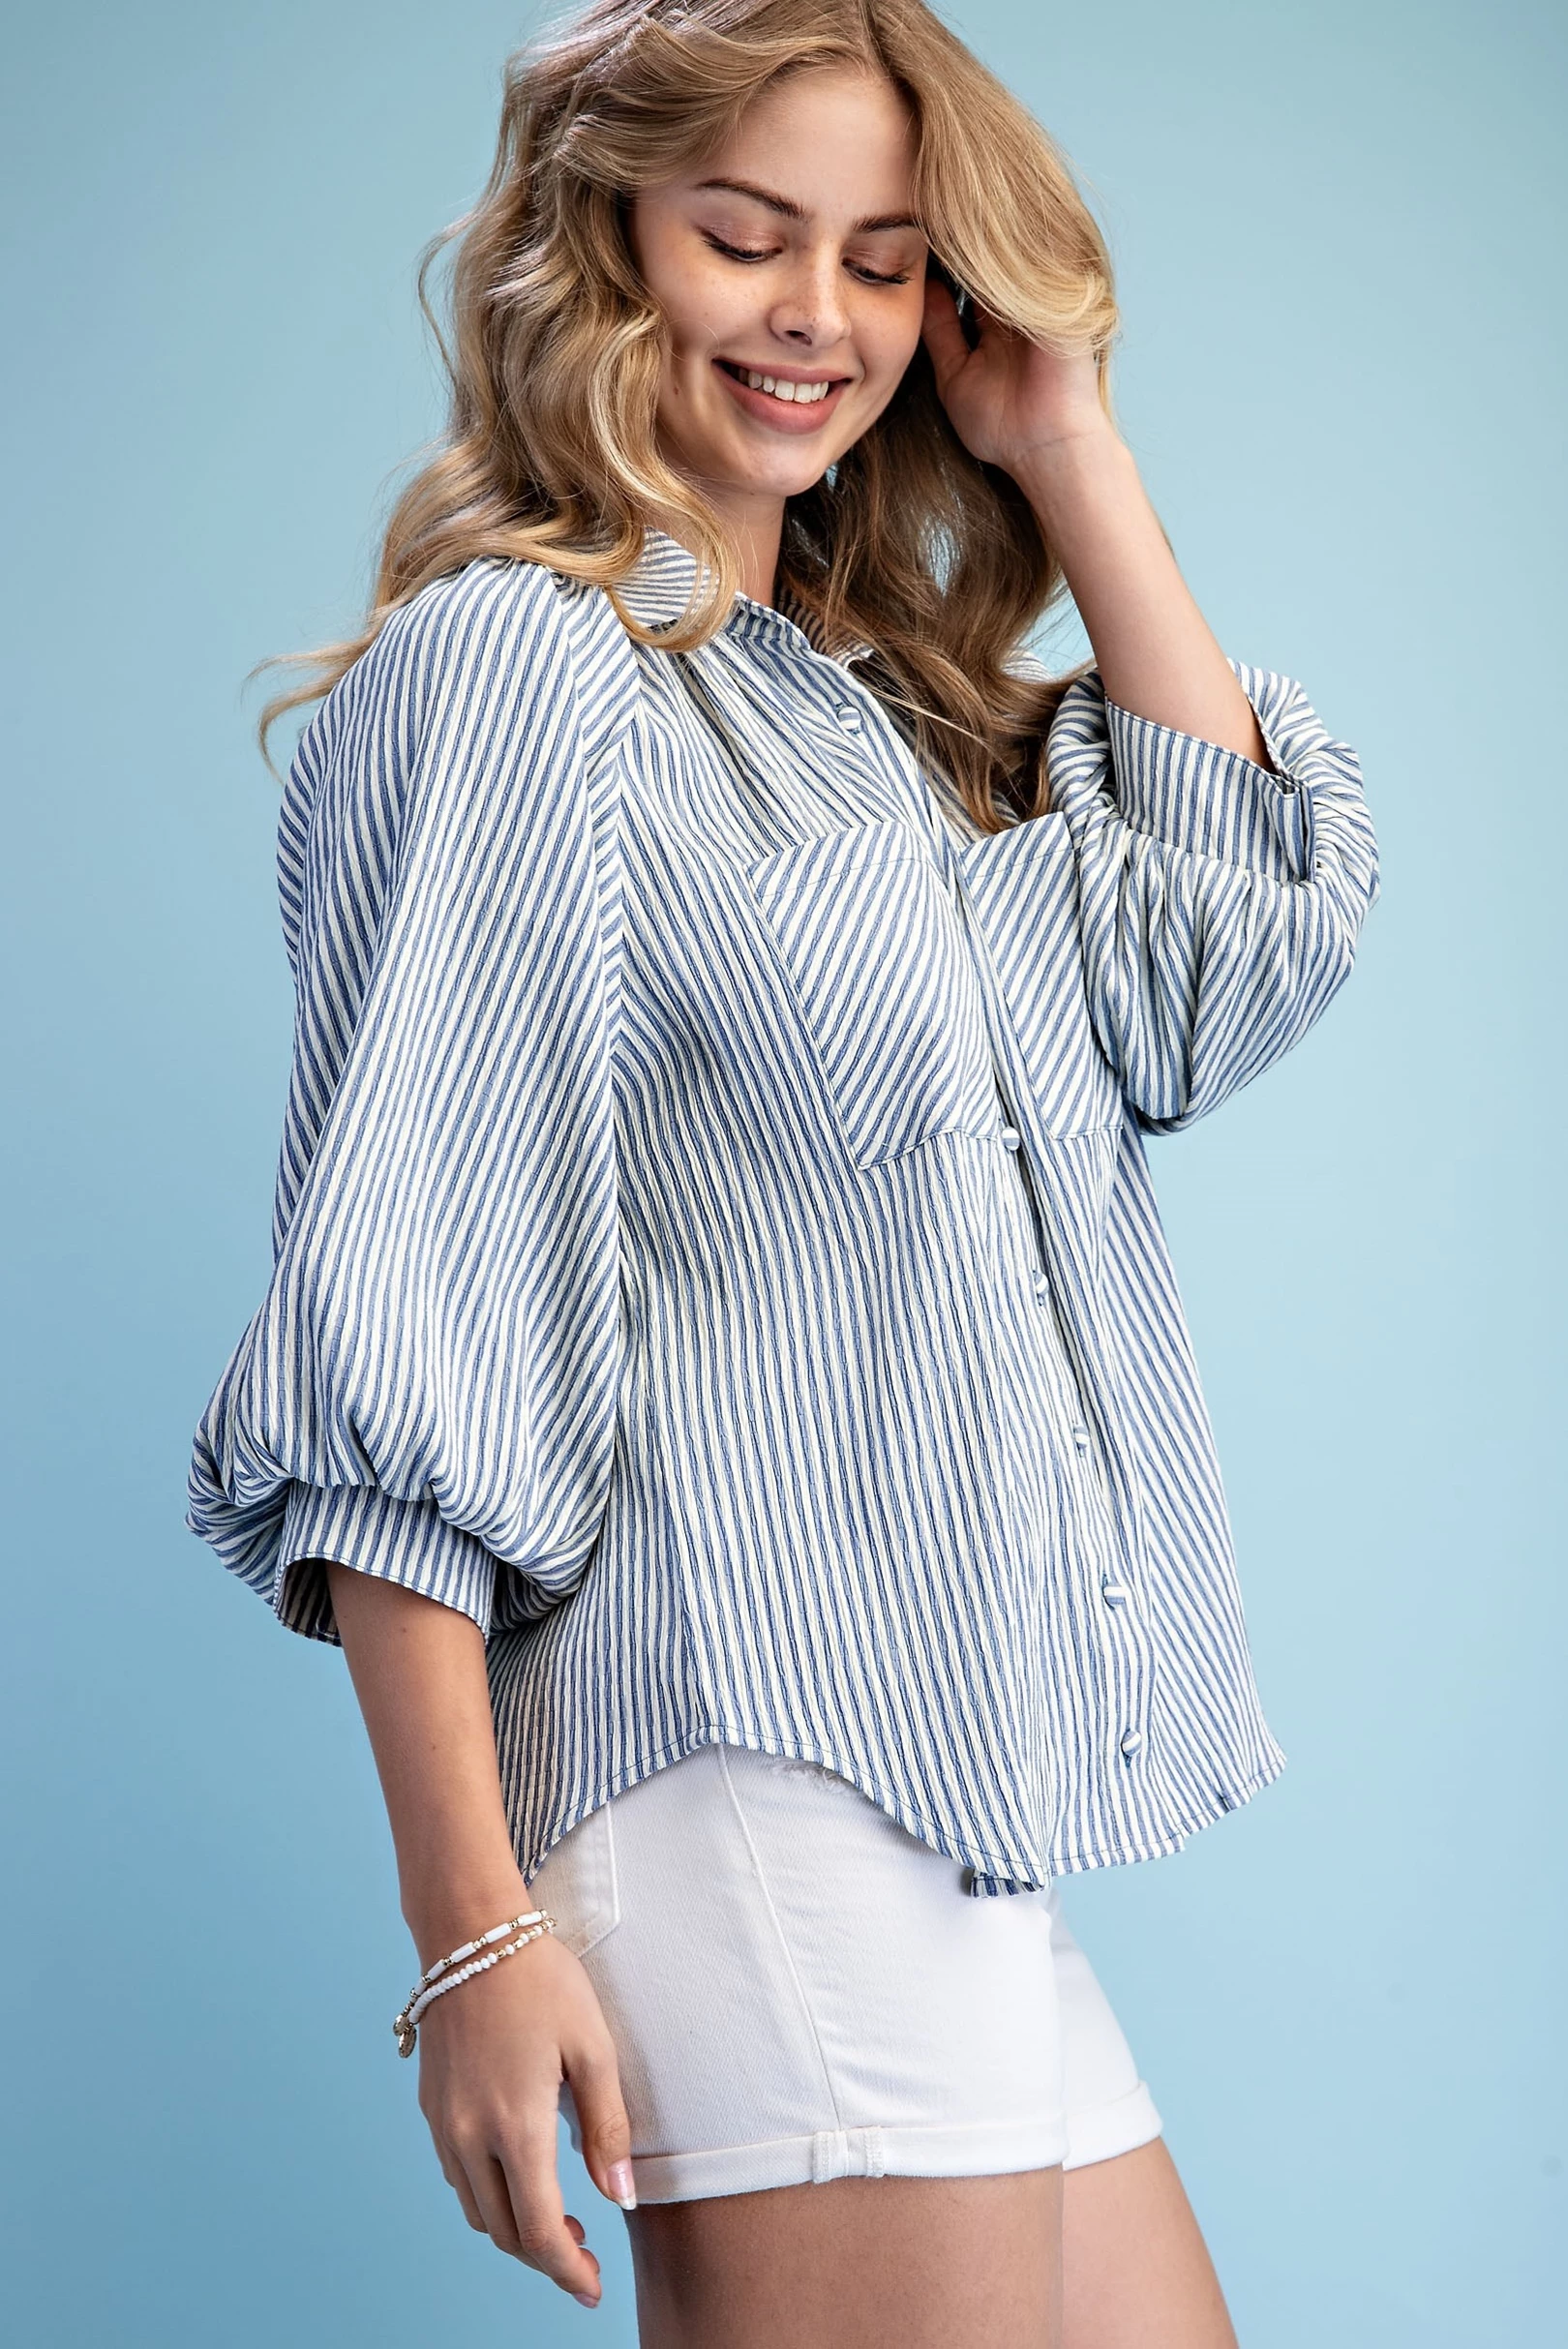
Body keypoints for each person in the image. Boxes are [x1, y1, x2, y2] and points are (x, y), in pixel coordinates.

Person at [185, 1, 1380, 2340]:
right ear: (608, 234)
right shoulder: (521, 676)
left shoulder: (886, 724)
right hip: (748, 1774)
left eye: (889, 257)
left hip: (953, 1794)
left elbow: (1234, 952)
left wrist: (1067, 443)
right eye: (748, 237)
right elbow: (404, 1335)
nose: (820, 313)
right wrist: (474, 1934)